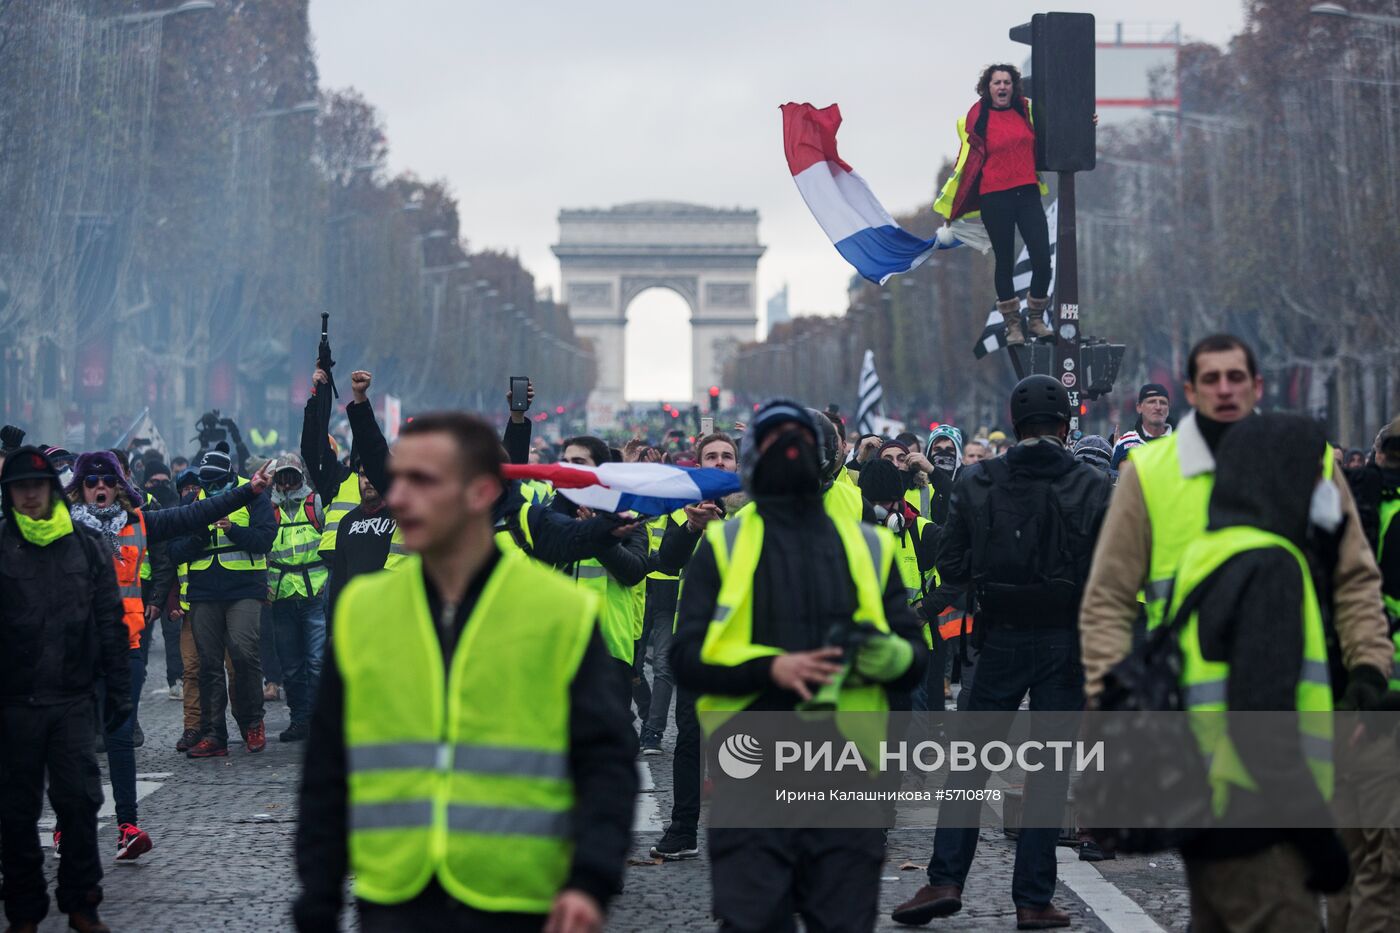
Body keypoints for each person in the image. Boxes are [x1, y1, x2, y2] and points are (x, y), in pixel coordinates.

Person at [293, 412, 637, 933]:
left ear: (481, 493)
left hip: (516, 896)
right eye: (397, 479)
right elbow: (327, 767)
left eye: (423, 480)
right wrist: (317, 899)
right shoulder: (363, 609)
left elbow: (606, 763)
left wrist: (590, 881)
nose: (399, 497)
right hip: (393, 895)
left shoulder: (560, 613)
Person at [672, 400, 927, 931]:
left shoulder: (723, 544)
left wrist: (763, 670)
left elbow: (686, 658)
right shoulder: (872, 548)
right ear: (831, 463)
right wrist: (778, 668)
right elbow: (912, 665)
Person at [893, 375, 1112, 929]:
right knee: (1049, 771)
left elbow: (953, 565)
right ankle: (1034, 898)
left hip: (1001, 637)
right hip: (1066, 638)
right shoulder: (1093, 485)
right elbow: (1107, 573)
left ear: (1014, 427)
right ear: (1066, 426)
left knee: (968, 764)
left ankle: (944, 878)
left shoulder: (977, 479)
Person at [1080, 334, 1393, 699]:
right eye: (1211, 380)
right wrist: (1107, 693)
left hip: (1298, 708)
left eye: (1236, 377)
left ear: (1257, 386)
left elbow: (1353, 577)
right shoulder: (1148, 471)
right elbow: (1108, 598)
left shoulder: (1309, 459)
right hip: (1179, 716)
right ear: (1191, 392)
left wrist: (1368, 669)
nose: (1225, 390)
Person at [1168, 414, 1352, 931]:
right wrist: (1317, 838)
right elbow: (1261, 723)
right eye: (1314, 474)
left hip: (1208, 813)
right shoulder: (1273, 567)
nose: (1323, 488)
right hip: (1262, 825)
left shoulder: (1209, 551)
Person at [59, 450, 271, 860]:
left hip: (126, 648)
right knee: (74, 743)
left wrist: (248, 491)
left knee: (120, 740)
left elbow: (195, 515)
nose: (100, 488)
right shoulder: (61, 528)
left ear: (120, 488)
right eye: (91, 482)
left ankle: (127, 827)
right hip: (75, 652)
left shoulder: (138, 523)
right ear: (79, 489)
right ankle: (66, 828)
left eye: (108, 481)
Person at [0, 448, 130, 933]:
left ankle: (81, 902)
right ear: (10, 493)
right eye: (20, 488)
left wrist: (119, 690)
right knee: (16, 814)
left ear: (52, 490)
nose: (30, 496)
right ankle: (24, 912)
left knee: (79, 804)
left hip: (73, 698)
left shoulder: (86, 545)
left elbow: (110, 621)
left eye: (37, 487)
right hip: (15, 704)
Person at [646, 432, 742, 861]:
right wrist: (690, 526)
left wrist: (719, 526)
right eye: (712, 457)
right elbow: (667, 561)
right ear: (699, 465)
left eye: (727, 457)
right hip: (697, 640)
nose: (720, 463)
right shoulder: (685, 508)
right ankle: (683, 827)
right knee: (690, 737)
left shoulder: (753, 511)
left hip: (743, 643)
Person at [1334, 414, 1400, 931]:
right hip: (1386, 708)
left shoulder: (1340, 511)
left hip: (1335, 703)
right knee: (1384, 871)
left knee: (1348, 862)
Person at [169, 448, 278, 758]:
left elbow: (264, 540)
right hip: (204, 591)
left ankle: (252, 721)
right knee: (208, 664)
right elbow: (175, 550)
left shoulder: (253, 493)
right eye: (207, 483)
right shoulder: (193, 501)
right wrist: (201, 535)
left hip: (244, 588)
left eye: (217, 482)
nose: (211, 488)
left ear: (230, 475)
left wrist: (233, 529)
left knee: (244, 654)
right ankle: (213, 733)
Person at [935, 64, 1055, 346]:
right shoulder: (977, 119)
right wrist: (953, 207)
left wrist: (1088, 122)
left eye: (1007, 82)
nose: (1002, 87)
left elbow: (1057, 127)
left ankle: (1036, 319)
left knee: (1042, 259)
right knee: (1004, 261)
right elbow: (965, 162)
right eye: (996, 83)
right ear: (987, 88)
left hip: (1026, 193)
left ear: (1014, 87)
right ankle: (1013, 325)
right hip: (995, 197)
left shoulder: (1026, 111)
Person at [556, 435, 649, 700]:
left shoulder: (627, 515)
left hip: (609, 647)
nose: (570, 467)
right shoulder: (554, 513)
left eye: (579, 461)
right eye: (565, 462)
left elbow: (634, 571)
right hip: (559, 643)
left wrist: (599, 535)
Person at [266, 454, 327, 743]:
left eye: (292, 476)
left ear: (300, 476)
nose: (287, 483)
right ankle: (300, 720)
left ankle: (318, 720)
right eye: (282, 477)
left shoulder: (314, 504)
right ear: (275, 479)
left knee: (316, 662)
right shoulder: (268, 510)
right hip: (281, 596)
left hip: (314, 592)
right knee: (291, 666)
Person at [1110, 383, 1174, 469]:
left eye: (1163, 402)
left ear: (1168, 408)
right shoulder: (1125, 443)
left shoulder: (1180, 443)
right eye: (1152, 402)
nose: (1158, 407)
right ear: (1139, 407)